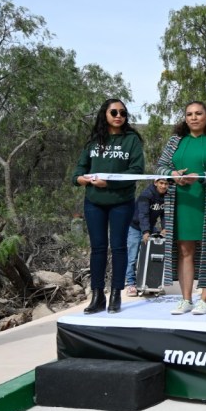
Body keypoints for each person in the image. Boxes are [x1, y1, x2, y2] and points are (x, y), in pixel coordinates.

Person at [156, 101, 206, 316]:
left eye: (199, 113)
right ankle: (186, 299)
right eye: (189, 114)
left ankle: (205, 299)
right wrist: (174, 175)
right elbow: (160, 166)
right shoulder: (175, 141)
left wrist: (200, 177)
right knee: (184, 250)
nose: (194, 117)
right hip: (181, 201)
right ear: (185, 118)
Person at [72, 98, 145, 314]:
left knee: (119, 247)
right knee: (98, 248)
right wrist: (80, 179)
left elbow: (136, 171)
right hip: (94, 202)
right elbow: (78, 170)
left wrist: (109, 182)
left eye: (122, 112)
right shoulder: (94, 140)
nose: (118, 116)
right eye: (114, 112)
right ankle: (97, 297)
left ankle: (115, 296)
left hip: (121, 202)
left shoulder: (131, 140)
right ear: (105, 114)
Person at [124, 178, 168, 295]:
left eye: (166, 184)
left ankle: (151, 282)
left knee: (151, 254)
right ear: (155, 183)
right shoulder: (146, 195)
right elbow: (143, 214)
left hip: (148, 227)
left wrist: (164, 228)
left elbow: (164, 214)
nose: (163, 186)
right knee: (133, 256)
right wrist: (146, 231)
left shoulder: (166, 196)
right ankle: (130, 284)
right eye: (161, 183)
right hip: (135, 227)